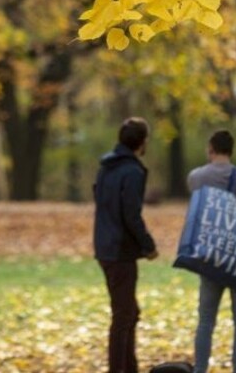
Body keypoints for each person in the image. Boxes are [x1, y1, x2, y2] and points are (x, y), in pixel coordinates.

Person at [186, 129, 236, 373]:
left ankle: (200, 370)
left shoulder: (196, 177)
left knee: (206, 319)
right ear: (231, 150)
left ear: (211, 148)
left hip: (209, 255)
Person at [94, 117, 159, 373]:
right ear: (142, 143)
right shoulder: (131, 171)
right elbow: (130, 214)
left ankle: (129, 367)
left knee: (129, 312)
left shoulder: (107, 167)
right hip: (119, 249)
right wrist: (148, 245)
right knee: (123, 316)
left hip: (104, 246)